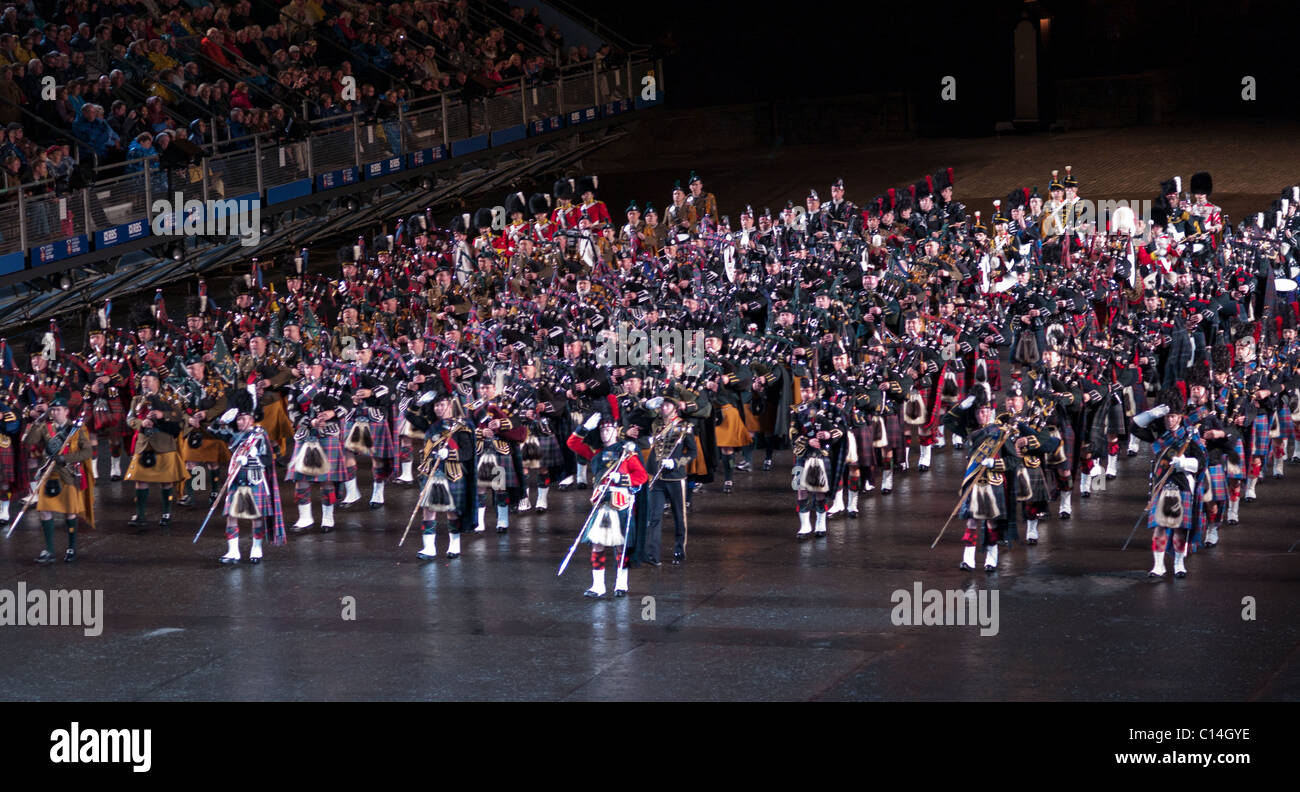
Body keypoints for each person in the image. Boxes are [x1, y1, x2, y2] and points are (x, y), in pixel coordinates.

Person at [567, 411, 648, 597]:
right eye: (602, 429)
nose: (604, 433)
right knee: (597, 545)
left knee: (621, 546)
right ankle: (598, 586)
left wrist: (621, 478)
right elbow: (572, 443)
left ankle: (621, 584)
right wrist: (585, 427)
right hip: (602, 504)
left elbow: (642, 476)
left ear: (616, 430)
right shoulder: (596, 452)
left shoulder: (626, 452)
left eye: (608, 428)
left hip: (621, 503)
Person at [1129, 396, 1207, 578]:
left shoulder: (1189, 436)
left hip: (1182, 483)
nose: (1170, 420)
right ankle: (1158, 566)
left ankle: (1179, 564)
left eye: (1173, 416)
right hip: (1161, 483)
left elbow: (1202, 462)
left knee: (1180, 528)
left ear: (1180, 417)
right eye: (1167, 416)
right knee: (1160, 526)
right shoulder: (1158, 434)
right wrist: (1151, 414)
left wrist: (1185, 463)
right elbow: (1134, 428)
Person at [211, 388, 286, 565]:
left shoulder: (260, 435)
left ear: (252, 419)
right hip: (236, 479)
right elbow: (212, 431)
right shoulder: (232, 435)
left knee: (256, 516)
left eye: (245, 418)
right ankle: (233, 551)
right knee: (231, 515)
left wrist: (254, 457)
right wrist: (221, 420)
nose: (241, 422)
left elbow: (268, 460)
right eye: (239, 418)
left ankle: (256, 548)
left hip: (255, 479)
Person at [21, 394, 93, 563]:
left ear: (67, 411)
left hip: (67, 475)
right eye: (52, 410)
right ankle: (49, 550)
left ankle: (71, 548)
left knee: (70, 512)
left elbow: (87, 452)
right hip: (49, 474)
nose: (54, 413)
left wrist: (66, 459)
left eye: (58, 410)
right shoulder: (45, 428)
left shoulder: (77, 428)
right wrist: (37, 421)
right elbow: (28, 442)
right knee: (44, 511)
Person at [123, 370, 185, 531]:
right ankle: (140, 514)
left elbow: (179, 415)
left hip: (164, 444)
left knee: (166, 481)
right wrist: (141, 424)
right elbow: (129, 419)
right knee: (140, 480)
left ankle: (166, 513)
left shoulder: (169, 398)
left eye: (148, 380)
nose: (144, 383)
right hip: (144, 444)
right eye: (143, 380)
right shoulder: (137, 399)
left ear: (157, 382)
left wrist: (161, 414)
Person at [642, 397, 695, 565]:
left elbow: (692, 453)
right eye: (662, 405)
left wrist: (677, 463)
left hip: (675, 477)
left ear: (674, 408)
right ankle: (653, 554)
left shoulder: (685, 427)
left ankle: (680, 550)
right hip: (657, 476)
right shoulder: (656, 425)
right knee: (654, 516)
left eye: (667, 405)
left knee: (679, 516)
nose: (663, 408)